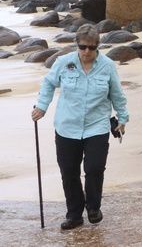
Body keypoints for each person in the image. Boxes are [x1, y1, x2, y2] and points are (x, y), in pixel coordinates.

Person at [31, 24, 129, 230]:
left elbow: (117, 95)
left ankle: (93, 208)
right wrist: (42, 107)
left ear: (97, 47)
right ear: (77, 45)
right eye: (83, 47)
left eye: (91, 48)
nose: (87, 52)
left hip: (97, 126)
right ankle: (74, 215)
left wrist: (122, 118)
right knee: (69, 172)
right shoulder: (63, 63)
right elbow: (49, 84)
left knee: (94, 168)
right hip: (67, 126)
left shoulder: (108, 66)